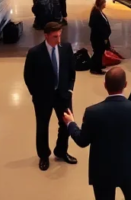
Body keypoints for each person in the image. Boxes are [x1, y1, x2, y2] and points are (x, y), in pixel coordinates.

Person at [63, 67, 131, 200]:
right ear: (125, 85)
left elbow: (82, 141)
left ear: (105, 85)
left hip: (103, 172)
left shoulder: (92, 112)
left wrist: (71, 124)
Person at [23, 21, 76, 171]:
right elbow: (28, 76)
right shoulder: (35, 53)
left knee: (66, 124)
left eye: (60, 36)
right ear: (45, 36)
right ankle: (44, 156)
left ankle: (61, 151)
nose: (58, 40)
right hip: (43, 97)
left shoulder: (66, 48)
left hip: (63, 95)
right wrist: (36, 94)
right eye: (54, 37)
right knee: (42, 127)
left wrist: (70, 90)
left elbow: (71, 72)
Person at [89, 0, 112, 75]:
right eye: (104, 3)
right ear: (101, 4)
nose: (105, 4)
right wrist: (104, 36)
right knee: (98, 53)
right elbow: (95, 26)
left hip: (102, 38)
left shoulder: (100, 12)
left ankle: (98, 65)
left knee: (100, 52)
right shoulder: (95, 13)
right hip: (97, 38)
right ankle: (95, 69)